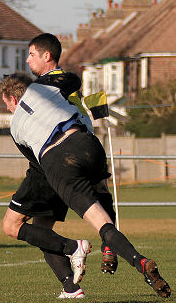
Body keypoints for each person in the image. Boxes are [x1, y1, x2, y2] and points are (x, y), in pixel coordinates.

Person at [1, 73, 171, 298]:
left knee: (21, 227)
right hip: (89, 144)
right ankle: (138, 262)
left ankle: (74, 249)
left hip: (57, 162)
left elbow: (37, 164)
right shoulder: (47, 91)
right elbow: (73, 79)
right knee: (102, 222)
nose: (7, 110)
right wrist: (57, 83)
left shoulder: (17, 124)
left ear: (13, 99)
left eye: (6, 104)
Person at [23, 33, 119, 275]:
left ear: (47, 56)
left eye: (32, 54)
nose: (27, 60)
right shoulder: (65, 80)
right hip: (89, 144)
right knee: (102, 193)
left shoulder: (49, 85)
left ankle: (73, 260)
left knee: (40, 224)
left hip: (61, 154)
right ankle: (109, 247)